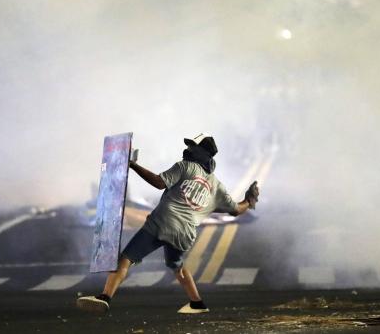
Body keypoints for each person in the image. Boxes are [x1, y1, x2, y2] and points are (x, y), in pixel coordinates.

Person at [77, 133, 260, 314]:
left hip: (161, 224)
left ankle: (105, 297)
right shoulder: (217, 186)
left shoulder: (185, 167)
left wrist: (132, 164)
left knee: (126, 259)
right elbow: (235, 210)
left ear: (199, 150)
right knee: (177, 267)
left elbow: (158, 182)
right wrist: (249, 201)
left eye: (191, 146)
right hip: (185, 234)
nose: (187, 149)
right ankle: (197, 303)